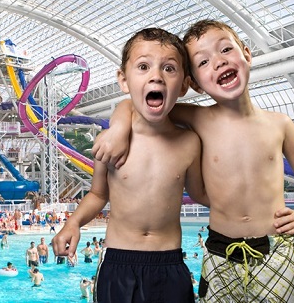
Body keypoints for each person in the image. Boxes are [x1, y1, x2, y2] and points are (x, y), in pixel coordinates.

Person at [92, 20, 294, 302]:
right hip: (219, 252)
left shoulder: (280, 124)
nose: (218, 62)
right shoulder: (198, 118)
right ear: (195, 85)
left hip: (275, 247)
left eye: (226, 49)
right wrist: (118, 128)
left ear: (246, 54)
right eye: (203, 62)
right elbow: (135, 101)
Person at [52, 28, 206, 303]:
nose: (156, 75)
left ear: (183, 85)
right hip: (118, 262)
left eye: (169, 68)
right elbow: (98, 194)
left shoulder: (189, 143)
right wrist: (73, 222)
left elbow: (200, 194)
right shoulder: (109, 142)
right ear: (124, 80)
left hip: (169, 262)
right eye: (143, 66)